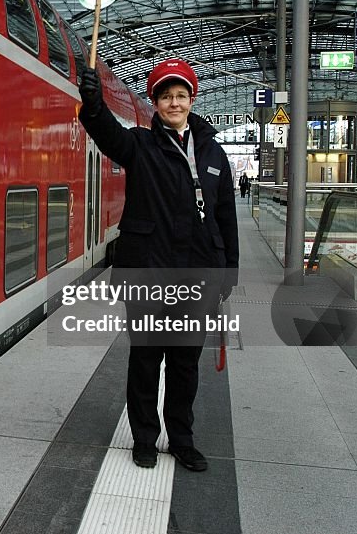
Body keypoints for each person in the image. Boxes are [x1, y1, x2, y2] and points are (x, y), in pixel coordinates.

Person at [78, 58, 239, 473]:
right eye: (166, 96)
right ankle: (145, 439)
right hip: (148, 271)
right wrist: (92, 98)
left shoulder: (213, 152)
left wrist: (229, 271)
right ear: (155, 103)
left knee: (185, 364)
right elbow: (103, 130)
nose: (174, 103)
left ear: (191, 100)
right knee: (146, 360)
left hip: (197, 274)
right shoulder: (140, 145)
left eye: (181, 95)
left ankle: (182, 440)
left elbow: (226, 216)